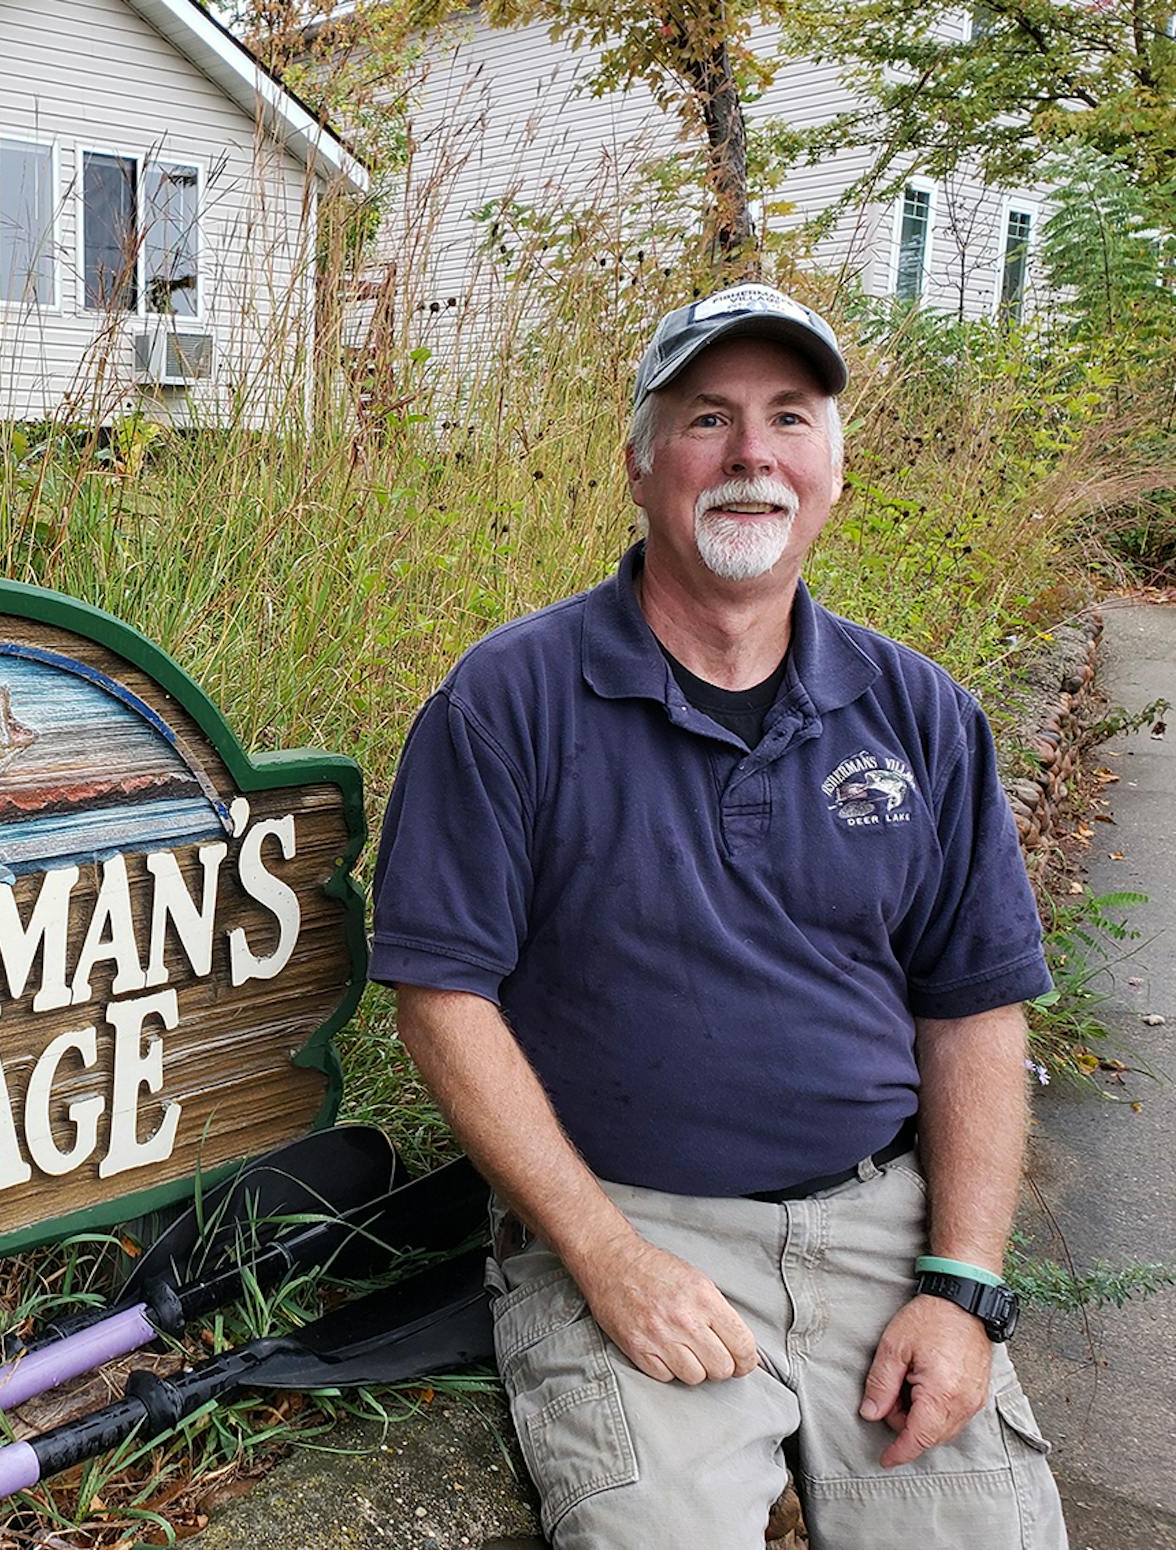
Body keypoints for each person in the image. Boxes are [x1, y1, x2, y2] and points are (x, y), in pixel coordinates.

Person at [370, 283, 1067, 1548]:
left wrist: (962, 1288)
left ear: (832, 473)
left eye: (789, 418)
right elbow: (442, 1002)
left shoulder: (923, 716)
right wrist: (602, 1252)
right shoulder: (507, 701)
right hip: (633, 1221)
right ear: (640, 465)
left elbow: (975, 1012)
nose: (752, 452)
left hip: (880, 1225)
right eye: (709, 418)